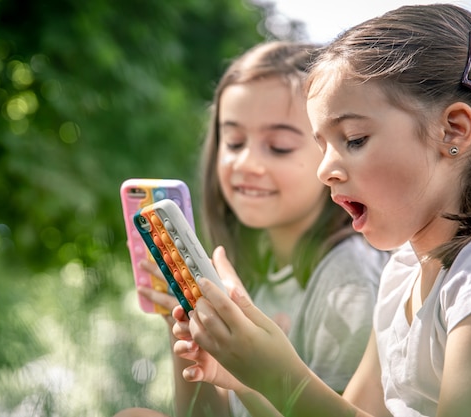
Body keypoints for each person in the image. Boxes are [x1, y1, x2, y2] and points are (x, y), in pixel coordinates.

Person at [172, 4, 471, 417]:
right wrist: (247, 376)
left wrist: (278, 375)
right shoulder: (402, 272)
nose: (325, 170)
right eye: (323, 146)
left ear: (453, 130)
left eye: (354, 139)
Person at [115, 41, 389, 417]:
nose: (246, 163)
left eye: (278, 147)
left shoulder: (349, 279)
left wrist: (250, 377)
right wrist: (184, 323)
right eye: (234, 141)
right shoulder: (252, 270)